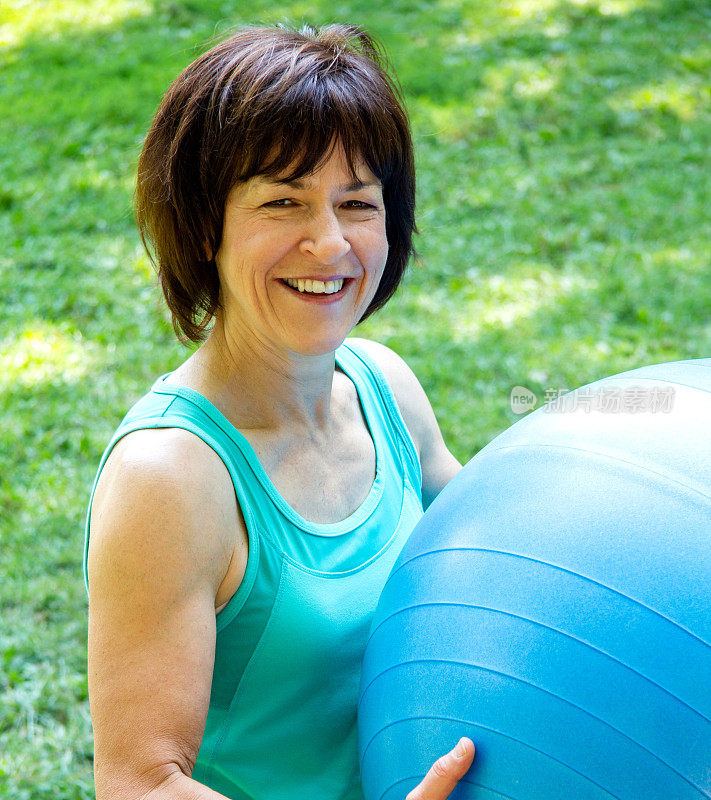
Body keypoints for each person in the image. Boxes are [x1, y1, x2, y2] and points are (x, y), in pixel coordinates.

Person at [83, 21, 475, 800]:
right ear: (204, 227)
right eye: (283, 201)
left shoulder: (385, 391)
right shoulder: (170, 478)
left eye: (356, 202)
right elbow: (138, 783)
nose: (329, 244)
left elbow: (497, 568)